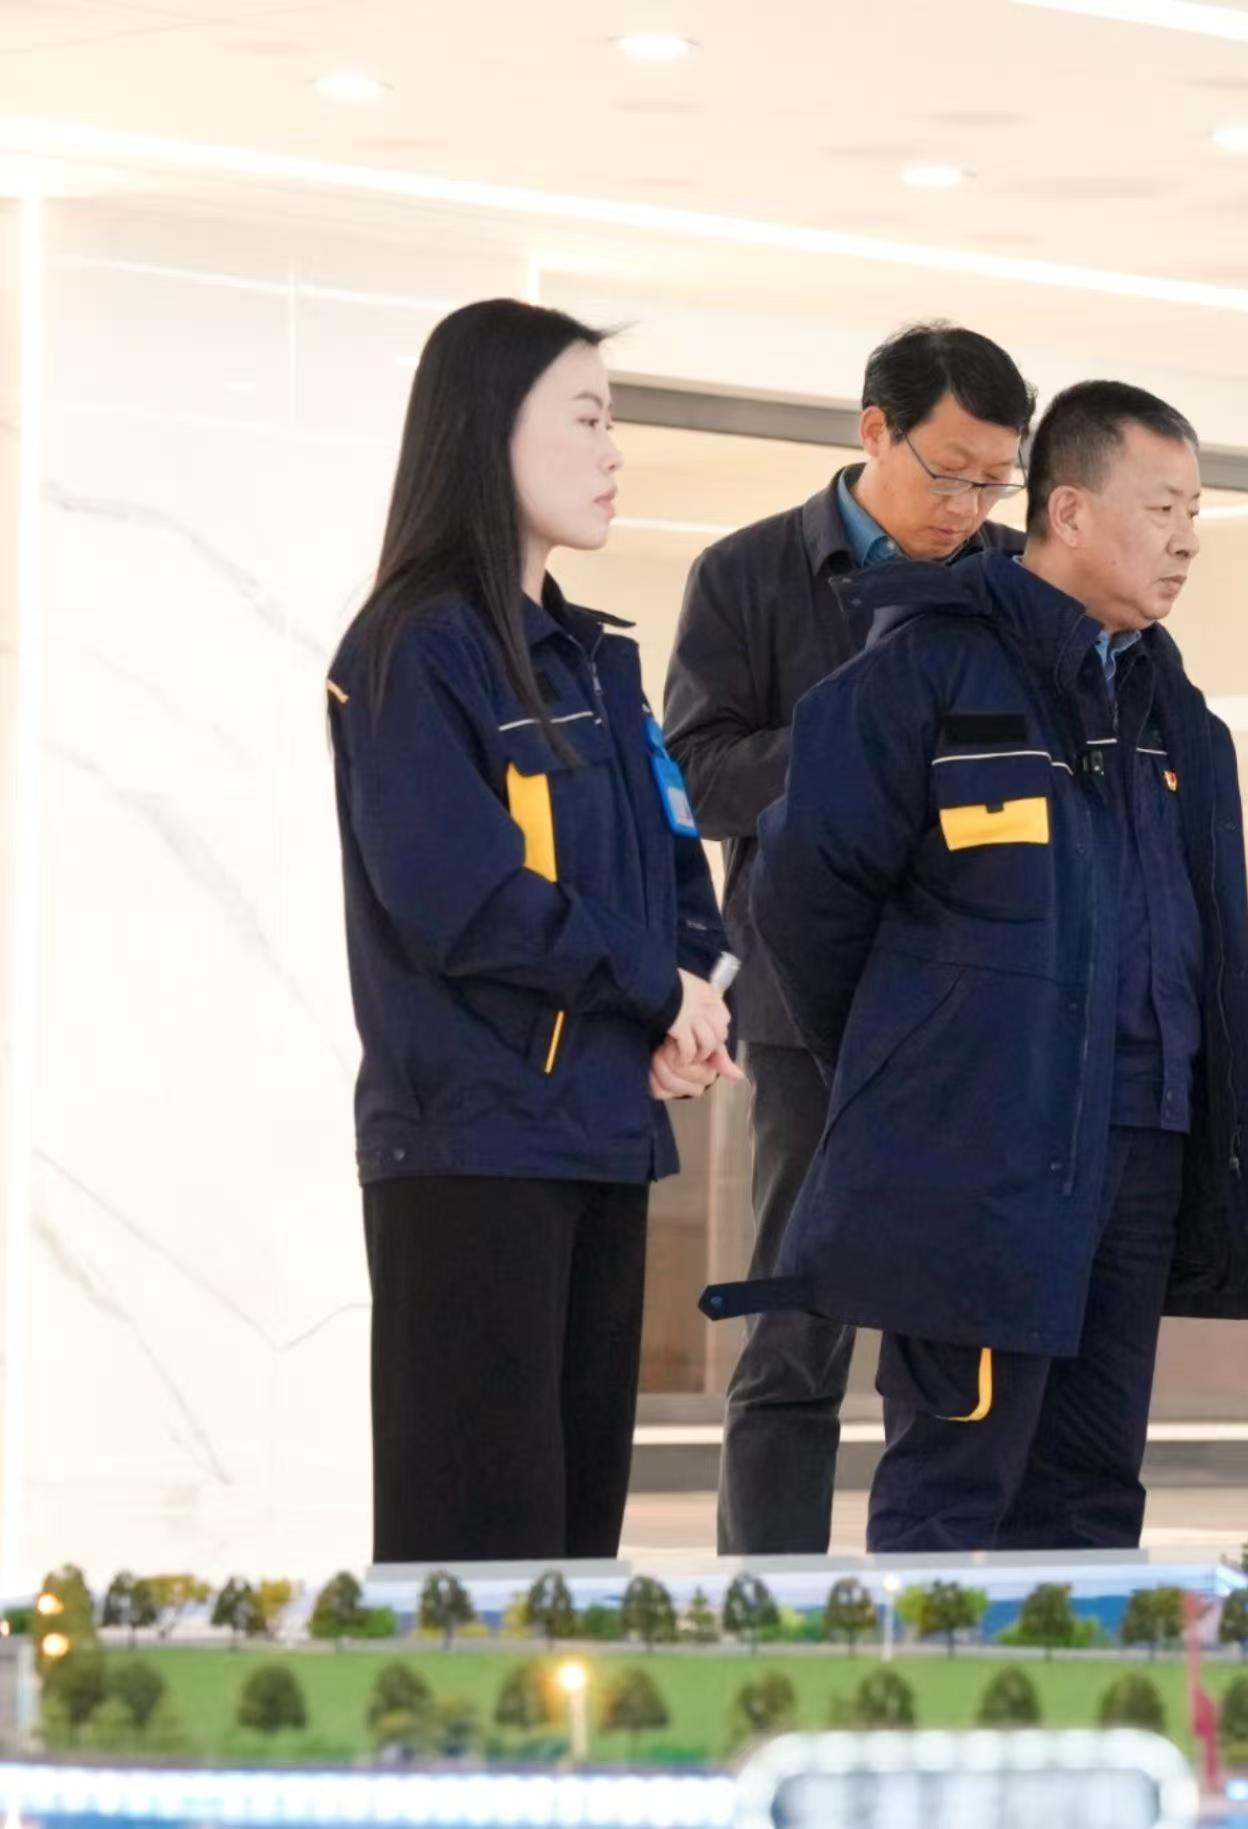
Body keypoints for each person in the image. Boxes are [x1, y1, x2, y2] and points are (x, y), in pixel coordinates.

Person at [704, 380, 1248, 1552]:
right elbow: (801, 900)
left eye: (1196, 512)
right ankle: (924, 1678)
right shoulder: (926, 672)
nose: (1186, 539)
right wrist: (920, 1063)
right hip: (985, 1150)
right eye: (1162, 507)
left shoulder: (1176, 714)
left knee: (1091, 1494)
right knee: (954, 1487)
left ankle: (1066, 1677)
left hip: (1141, 1143)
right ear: (1067, 511)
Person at [326, 298, 738, 1563]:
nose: (614, 452)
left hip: (601, 1138)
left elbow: (673, 863)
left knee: (571, 1545)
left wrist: (688, 996)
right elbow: (458, 896)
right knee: (476, 1543)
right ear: (485, 427)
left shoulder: (595, 662)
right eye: (588, 418)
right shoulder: (411, 648)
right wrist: (651, 988)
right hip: (471, 1142)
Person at [664, 321, 1030, 1555]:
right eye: (949, 472)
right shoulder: (747, 572)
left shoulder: (1016, 577)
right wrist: (861, 746)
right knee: (795, 1331)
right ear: (875, 429)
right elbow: (698, 775)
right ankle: (762, 1606)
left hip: (976, 1005)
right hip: (806, 1009)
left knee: (970, 1329)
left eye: (995, 481)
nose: (968, 507)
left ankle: (948, 1586)